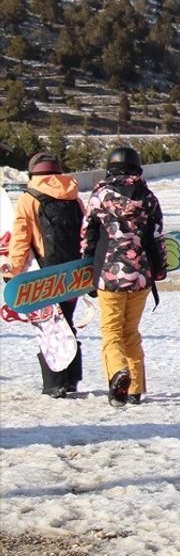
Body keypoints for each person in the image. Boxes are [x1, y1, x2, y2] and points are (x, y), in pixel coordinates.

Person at [81, 147, 166, 407]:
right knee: (130, 332)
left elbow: (88, 238)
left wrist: (88, 271)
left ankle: (118, 373)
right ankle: (135, 388)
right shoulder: (148, 198)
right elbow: (157, 239)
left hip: (109, 276)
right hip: (140, 275)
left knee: (111, 333)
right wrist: (159, 271)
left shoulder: (100, 196)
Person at [3, 153, 85, 398]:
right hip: (74, 272)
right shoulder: (74, 196)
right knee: (67, 321)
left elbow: (20, 238)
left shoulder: (29, 198)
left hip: (44, 272)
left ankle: (55, 383)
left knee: (48, 324)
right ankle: (71, 379)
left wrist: (13, 271)